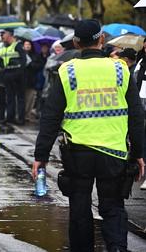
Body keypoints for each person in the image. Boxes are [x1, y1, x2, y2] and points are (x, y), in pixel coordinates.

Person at [33, 19, 145, 252]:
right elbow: (136, 115)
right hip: (113, 152)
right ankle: (116, 247)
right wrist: (139, 154)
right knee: (113, 206)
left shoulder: (67, 71)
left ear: (75, 42)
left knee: (80, 206)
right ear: (101, 39)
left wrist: (40, 156)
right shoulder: (120, 69)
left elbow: (50, 116)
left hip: (78, 152)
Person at [0, 29, 27, 125]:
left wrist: (17, 73)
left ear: (10, 35)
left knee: (20, 97)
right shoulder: (4, 47)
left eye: (3, 34)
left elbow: (24, 61)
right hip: (8, 75)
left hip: (18, 75)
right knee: (10, 97)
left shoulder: (17, 46)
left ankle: (21, 119)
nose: (1, 36)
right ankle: (10, 117)